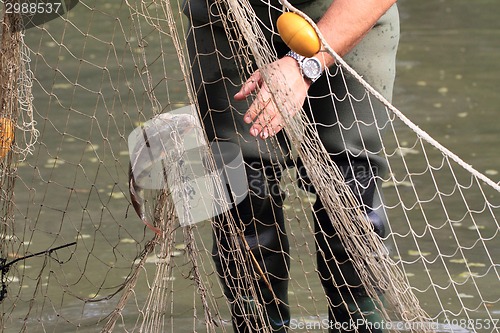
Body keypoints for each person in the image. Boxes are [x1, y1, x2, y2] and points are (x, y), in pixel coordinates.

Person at [183, 0, 399, 332]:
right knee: (243, 203)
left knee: (351, 198)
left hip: (344, 15)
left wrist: (304, 65)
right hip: (223, 22)